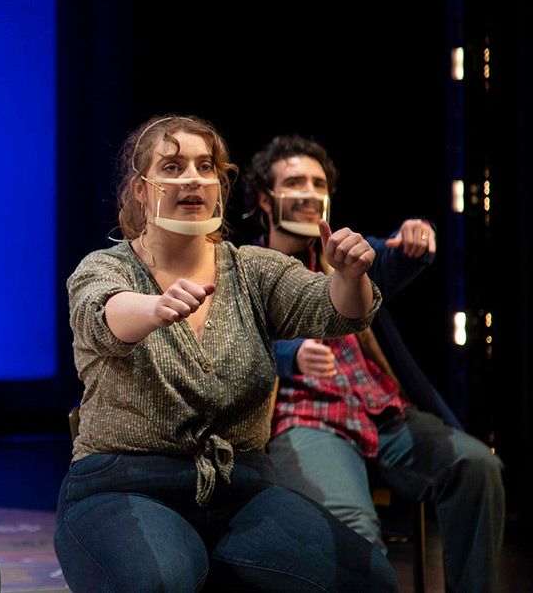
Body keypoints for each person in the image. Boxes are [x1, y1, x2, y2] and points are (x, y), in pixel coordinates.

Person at [56, 115, 399, 592]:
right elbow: (104, 312)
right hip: (125, 486)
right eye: (173, 167)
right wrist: (155, 308)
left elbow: (339, 313)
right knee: (162, 582)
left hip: (242, 492)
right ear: (140, 189)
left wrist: (349, 277)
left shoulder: (254, 271)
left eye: (205, 166)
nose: (193, 178)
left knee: (370, 580)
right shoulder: (105, 267)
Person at [242, 135, 504, 593]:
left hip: (381, 412)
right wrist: (290, 354)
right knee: (355, 533)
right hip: (308, 417)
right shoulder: (245, 265)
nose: (309, 191)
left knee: (477, 467)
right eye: (294, 181)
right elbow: (234, 338)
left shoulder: (340, 254)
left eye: (318, 182)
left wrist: (414, 238)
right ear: (265, 198)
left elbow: (393, 254)